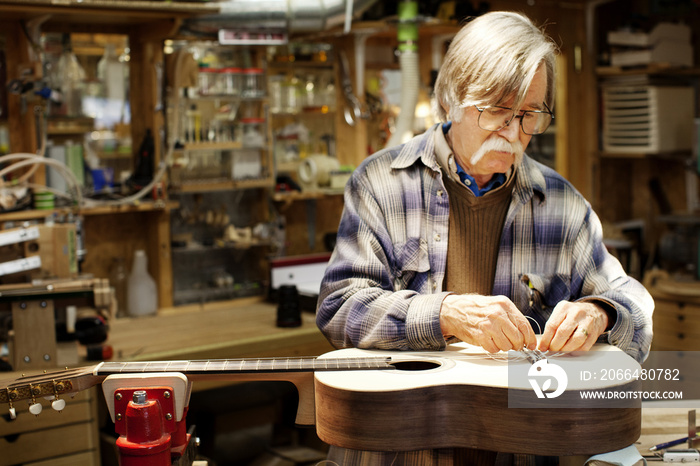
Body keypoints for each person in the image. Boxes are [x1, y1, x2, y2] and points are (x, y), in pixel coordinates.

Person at [316, 10, 654, 465]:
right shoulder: (380, 183)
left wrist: (600, 313)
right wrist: (444, 313)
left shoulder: (561, 204)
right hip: (403, 446)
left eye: (529, 114)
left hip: (519, 444)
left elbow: (635, 305)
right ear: (451, 98)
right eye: (497, 110)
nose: (514, 133)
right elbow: (339, 309)